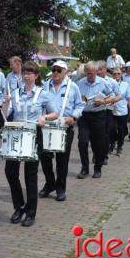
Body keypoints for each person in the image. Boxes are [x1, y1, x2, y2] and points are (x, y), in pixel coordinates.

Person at [1, 61, 57, 227]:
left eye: (30, 73)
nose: (26, 76)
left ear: (36, 75)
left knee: (30, 175)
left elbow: (55, 113)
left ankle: (31, 212)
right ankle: (19, 207)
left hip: (33, 134)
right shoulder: (16, 93)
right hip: (16, 134)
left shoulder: (43, 94)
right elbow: (4, 115)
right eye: (24, 73)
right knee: (10, 172)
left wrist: (44, 118)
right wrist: (5, 103)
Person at [39, 60, 84, 202]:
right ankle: (50, 183)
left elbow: (80, 105)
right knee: (45, 157)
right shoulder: (45, 86)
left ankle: (60, 188)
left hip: (65, 126)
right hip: (47, 126)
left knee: (62, 160)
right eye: (54, 70)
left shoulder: (73, 87)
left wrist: (74, 117)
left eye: (59, 70)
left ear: (65, 72)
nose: (56, 73)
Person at [77, 61, 114, 179]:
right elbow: (75, 99)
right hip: (84, 116)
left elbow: (113, 96)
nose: (90, 76)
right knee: (82, 142)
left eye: (92, 74)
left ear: (96, 72)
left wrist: (103, 101)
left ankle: (98, 168)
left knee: (98, 144)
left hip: (99, 115)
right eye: (88, 74)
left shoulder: (103, 82)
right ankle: (84, 168)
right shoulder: (80, 83)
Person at [96, 61, 121, 162]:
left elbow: (119, 95)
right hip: (95, 112)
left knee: (106, 134)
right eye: (96, 70)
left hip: (107, 111)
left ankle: (105, 155)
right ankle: (96, 154)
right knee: (96, 135)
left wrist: (112, 100)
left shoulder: (112, 82)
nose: (98, 72)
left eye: (100, 70)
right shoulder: (92, 81)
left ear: (105, 70)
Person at [110, 68, 130, 155]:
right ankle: (112, 143)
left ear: (121, 75)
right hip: (111, 110)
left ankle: (119, 146)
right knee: (111, 129)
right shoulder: (108, 83)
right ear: (112, 75)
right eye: (114, 74)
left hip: (122, 111)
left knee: (121, 130)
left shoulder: (125, 85)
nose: (116, 75)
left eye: (118, 74)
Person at [5, 56, 24, 121]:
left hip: (24, 105)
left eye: (11, 65)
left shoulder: (26, 74)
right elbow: (6, 91)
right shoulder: (9, 76)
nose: (10, 67)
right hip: (13, 106)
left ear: (18, 64)